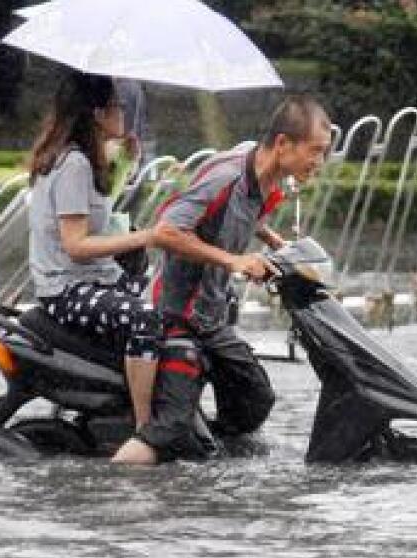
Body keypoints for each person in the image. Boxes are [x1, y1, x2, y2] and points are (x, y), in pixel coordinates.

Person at [111, 95, 333, 465]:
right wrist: (234, 261)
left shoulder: (263, 171)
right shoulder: (225, 177)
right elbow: (165, 231)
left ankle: (208, 459)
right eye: (315, 151)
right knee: (168, 430)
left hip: (212, 318)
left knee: (256, 398)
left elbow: (240, 212)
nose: (320, 162)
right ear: (282, 144)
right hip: (175, 319)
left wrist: (271, 241)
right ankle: (118, 489)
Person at [26, 71, 161, 445]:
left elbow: (99, 209)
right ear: (98, 113)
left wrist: (124, 164)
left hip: (89, 279)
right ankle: (144, 426)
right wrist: (145, 236)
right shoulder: (74, 164)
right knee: (146, 318)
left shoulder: (80, 157)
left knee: (163, 299)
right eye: (119, 105)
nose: (125, 112)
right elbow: (76, 244)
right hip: (68, 288)